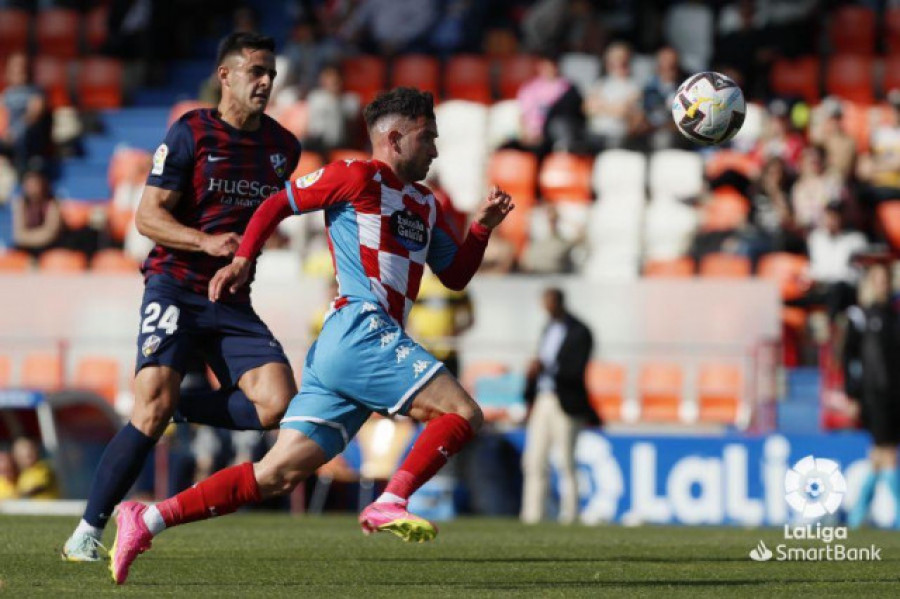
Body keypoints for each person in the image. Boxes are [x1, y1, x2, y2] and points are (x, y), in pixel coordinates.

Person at [107, 87, 514, 585]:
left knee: (275, 475)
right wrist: (242, 259)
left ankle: (146, 519)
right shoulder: (355, 175)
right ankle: (391, 499)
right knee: (462, 412)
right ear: (393, 138)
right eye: (427, 137)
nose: (434, 148)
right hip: (359, 327)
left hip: (351, 349)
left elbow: (454, 276)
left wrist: (481, 229)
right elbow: (277, 204)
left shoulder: (425, 205)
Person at [61, 32, 302, 563]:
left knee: (276, 404)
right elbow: (148, 217)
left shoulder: (284, 149)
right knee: (150, 408)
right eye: (256, 71)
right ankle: (86, 531)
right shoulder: (192, 130)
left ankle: (177, 408)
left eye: (272, 74)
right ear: (226, 75)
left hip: (231, 296)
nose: (265, 82)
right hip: (175, 283)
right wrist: (206, 241)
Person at [521, 287, 596, 525]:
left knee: (565, 460)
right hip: (544, 398)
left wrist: (547, 368)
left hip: (565, 400)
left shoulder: (580, 331)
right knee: (534, 459)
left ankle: (571, 513)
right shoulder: (547, 329)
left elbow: (576, 369)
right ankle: (533, 514)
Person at [843, 260, 900, 528]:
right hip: (875, 395)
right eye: (878, 280)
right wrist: (852, 394)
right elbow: (848, 359)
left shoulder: (894, 317)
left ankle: (856, 517)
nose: (883, 285)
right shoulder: (861, 317)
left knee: (878, 457)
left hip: (895, 394)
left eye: (886, 280)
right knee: (887, 453)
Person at [0, 53, 52, 176]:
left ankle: (23, 172)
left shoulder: (36, 92)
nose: (19, 71)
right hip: (7, 138)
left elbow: (34, 115)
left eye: (22, 67)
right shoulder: (6, 94)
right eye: (15, 68)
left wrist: (15, 132)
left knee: (24, 136)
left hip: (27, 139)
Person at [11, 168, 64, 257]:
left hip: (48, 246)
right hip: (27, 247)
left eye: (35, 184)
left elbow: (50, 233)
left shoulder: (52, 204)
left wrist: (28, 238)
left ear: (42, 184)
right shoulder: (20, 203)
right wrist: (27, 239)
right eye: (29, 184)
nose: (31, 187)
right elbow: (18, 235)